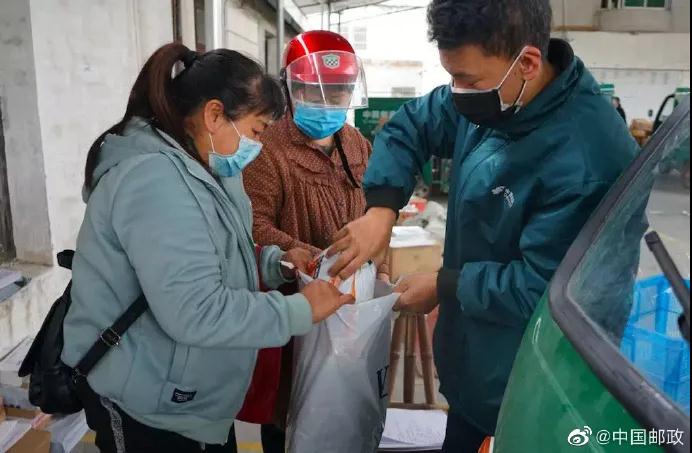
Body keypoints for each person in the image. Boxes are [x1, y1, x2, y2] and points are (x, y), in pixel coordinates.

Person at [325, 0, 639, 451]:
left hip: (535, 381)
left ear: (527, 62)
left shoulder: (588, 160)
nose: (457, 92)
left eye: (468, 80)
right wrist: (381, 210)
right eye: (451, 76)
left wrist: (445, 285)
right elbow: (410, 126)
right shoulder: (494, 97)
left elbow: (545, 292)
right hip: (475, 366)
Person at [61, 43, 354, 453]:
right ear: (214, 115)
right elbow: (194, 309)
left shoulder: (206, 164)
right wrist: (300, 309)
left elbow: (213, 251)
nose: (257, 146)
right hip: (147, 401)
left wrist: (275, 263)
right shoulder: (156, 180)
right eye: (257, 131)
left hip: (191, 396)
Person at [242, 30, 384, 451]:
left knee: (345, 401)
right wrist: (313, 259)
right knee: (293, 409)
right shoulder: (266, 146)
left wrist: (374, 256)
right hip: (295, 306)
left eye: (339, 91)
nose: (328, 101)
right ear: (290, 89)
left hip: (350, 303)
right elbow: (253, 224)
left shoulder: (356, 143)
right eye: (314, 91)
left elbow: (375, 210)